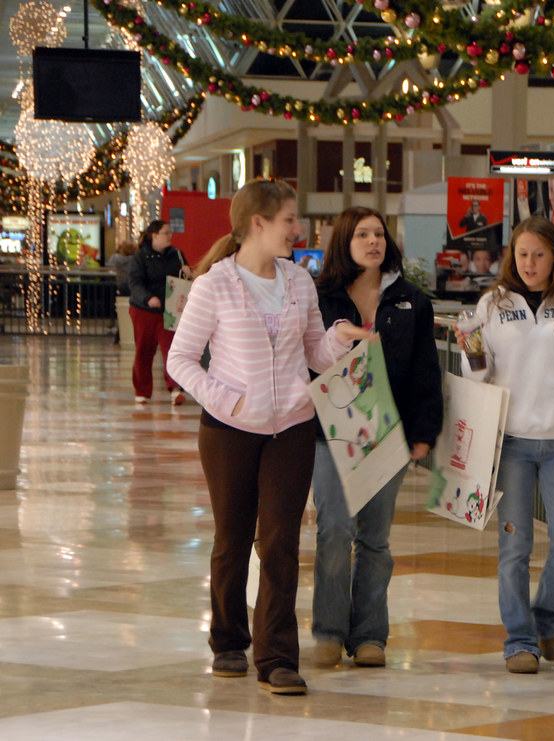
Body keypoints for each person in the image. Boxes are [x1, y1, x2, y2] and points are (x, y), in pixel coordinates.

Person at [167, 180, 369, 695]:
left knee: (280, 542)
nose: (297, 229)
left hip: (292, 428)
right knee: (232, 539)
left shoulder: (299, 281)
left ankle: (277, 657)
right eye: (289, 220)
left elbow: (314, 354)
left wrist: (339, 340)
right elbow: (180, 360)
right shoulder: (215, 285)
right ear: (258, 223)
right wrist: (228, 400)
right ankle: (228, 641)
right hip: (228, 431)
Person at [455, 216, 554, 674]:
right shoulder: (493, 303)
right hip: (511, 442)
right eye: (522, 254)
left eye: (539, 255)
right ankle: (520, 640)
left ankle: (546, 611)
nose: (529, 263)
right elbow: (478, 373)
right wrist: (470, 349)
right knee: (514, 547)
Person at [311, 206, 443, 668]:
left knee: (375, 539)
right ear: (344, 242)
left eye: (379, 234)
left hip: (388, 432)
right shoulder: (321, 298)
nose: (373, 242)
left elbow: (426, 369)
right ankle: (329, 630)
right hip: (330, 432)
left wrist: (423, 431)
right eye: (362, 234)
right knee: (334, 530)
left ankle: (369, 635)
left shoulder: (411, 300)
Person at [126, 220, 192, 404]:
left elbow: (183, 279)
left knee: (172, 349)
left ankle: (175, 388)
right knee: (144, 350)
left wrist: (188, 273)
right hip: (144, 310)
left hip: (169, 309)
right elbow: (135, 283)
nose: (170, 236)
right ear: (154, 236)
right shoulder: (140, 258)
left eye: (170, 232)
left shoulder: (177, 255)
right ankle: (142, 391)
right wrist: (148, 298)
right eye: (166, 232)